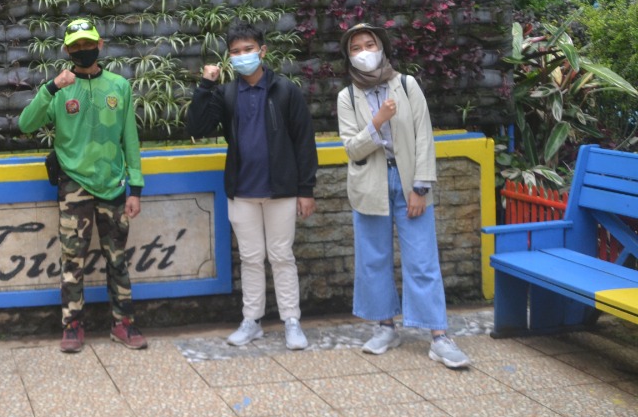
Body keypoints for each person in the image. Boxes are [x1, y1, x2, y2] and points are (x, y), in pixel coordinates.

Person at [336, 23, 470, 369]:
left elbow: (424, 137)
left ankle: (439, 336)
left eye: (370, 44)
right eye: (356, 47)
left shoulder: (408, 85)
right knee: (373, 259)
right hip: (369, 186)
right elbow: (352, 148)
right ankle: (384, 327)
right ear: (348, 55)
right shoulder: (347, 96)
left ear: (382, 48)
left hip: (408, 180)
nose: (364, 51)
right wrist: (377, 121)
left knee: (422, 259)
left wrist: (421, 187)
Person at [18, 18, 147, 353]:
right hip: (74, 184)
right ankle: (72, 326)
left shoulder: (119, 86)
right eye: (74, 47)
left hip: (113, 185)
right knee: (72, 260)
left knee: (117, 258)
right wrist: (50, 88)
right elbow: (25, 124)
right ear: (67, 50)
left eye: (87, 44)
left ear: (100, 44)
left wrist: (135, 187)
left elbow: (129, 140)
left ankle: (124, 324)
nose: (82, 51)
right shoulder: (60, 89)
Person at [187, 22, 318, 351]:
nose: (243, 56)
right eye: (236, 52)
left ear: (263, 50)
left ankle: (291, 320)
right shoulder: (227, 93)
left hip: (282, 191)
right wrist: (205, 85)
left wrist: (306, 189)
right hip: (242, 191)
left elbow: (304, 142)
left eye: (248, 50)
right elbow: (196, 125)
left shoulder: (286, 91)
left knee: (281, 256)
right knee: (250, 257)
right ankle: (252, 321)